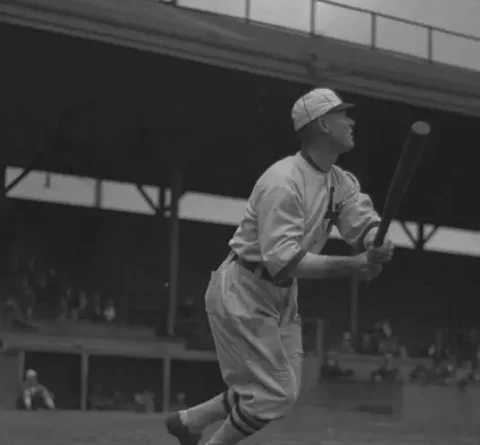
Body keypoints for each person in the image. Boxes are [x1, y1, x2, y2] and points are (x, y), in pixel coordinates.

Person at [165, 88, 394, 445]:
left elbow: (361, 222)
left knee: (275, 387)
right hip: (245, 287)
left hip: (281, 295)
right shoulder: (283, 180)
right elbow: (284, 259)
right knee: (276, 395)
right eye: (342, 115)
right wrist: (355, 265)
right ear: (322, 125)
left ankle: (189, 422)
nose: (351, 122)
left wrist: (376, 241)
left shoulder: (340, 181)